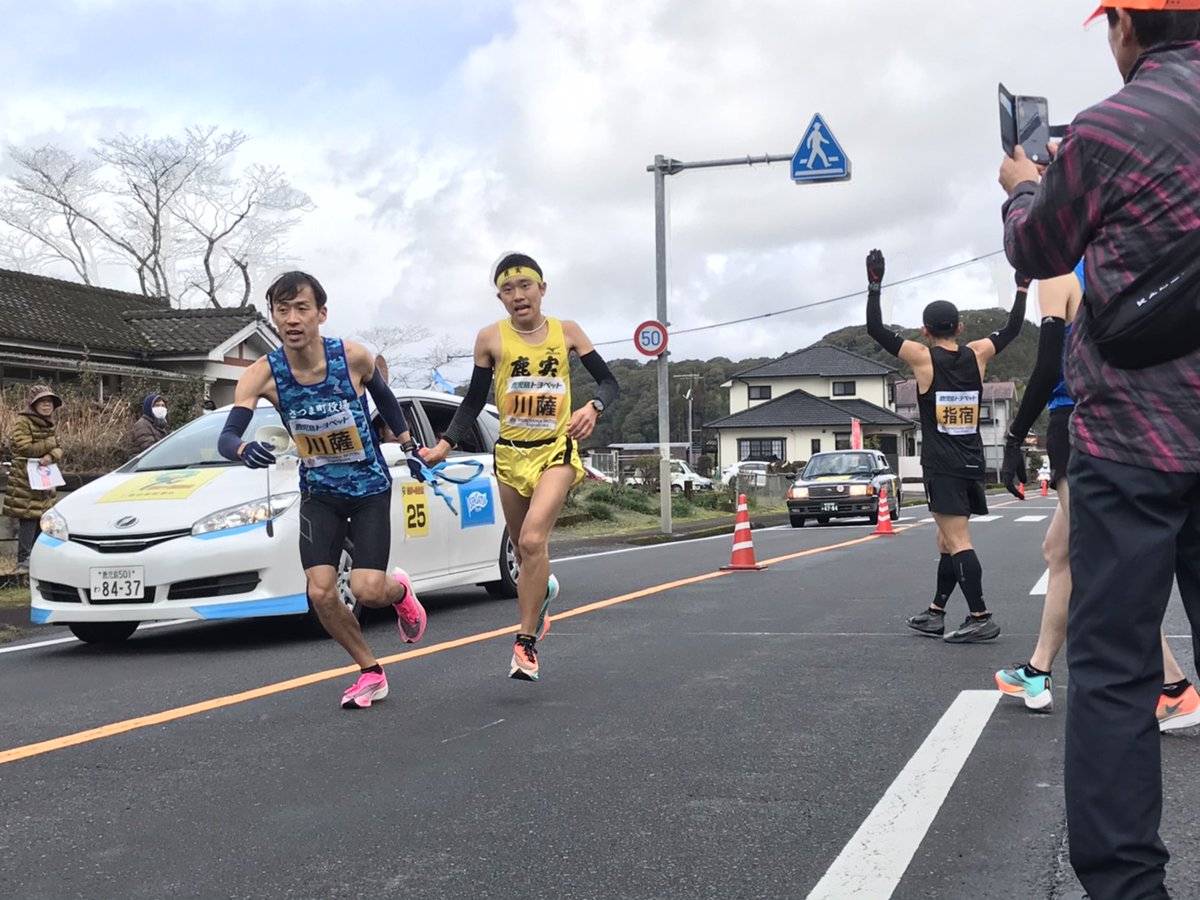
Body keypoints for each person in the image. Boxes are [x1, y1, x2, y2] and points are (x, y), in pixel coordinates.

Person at [999, 5, 1200, 897]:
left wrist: (1019, 183)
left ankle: (1127, 887)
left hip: (1135, 436)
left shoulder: (1109, 128)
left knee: (1116, 669)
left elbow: (1036, 245)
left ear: (1124, 27)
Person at [993, 266, 1200, 729]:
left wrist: (1014, 435)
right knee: (1059, 550)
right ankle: (1038, 670)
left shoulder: (1060, 275)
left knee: (1108, 566)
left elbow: (1049, 367)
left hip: (1075, 425)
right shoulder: (1125, 264)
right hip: (1136, 421)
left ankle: (1173, 688)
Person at [217, 271, 428, 710]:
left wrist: (408, 446)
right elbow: (228, 435)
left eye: (302, 308)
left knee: (369, 590)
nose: (292, 319)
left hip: (369, 487)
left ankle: (401, 594)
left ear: (321, 313)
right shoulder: (262, 374)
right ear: (273, 316)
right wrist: (242, 448)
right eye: (282, 310)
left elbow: (385, 400)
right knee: (320, 592)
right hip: (319, 492)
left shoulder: (352, 357)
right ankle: (370, 671)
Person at [420, 252, 619, 681]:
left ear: (542, 289)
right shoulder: (490, 339)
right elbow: (473, 401)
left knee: (531, 541)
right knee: (522, 549)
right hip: (509, 454)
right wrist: (443, 445)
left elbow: (609, 381)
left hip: (556, 451)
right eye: (508, 290)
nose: (518, 295)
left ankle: (525, 643)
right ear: (500, 298)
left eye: (525, 286)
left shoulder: (567, 332)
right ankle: (542, 586)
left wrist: (594, 407)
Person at [865, 249, 1026, 643]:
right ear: (960, 326)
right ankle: (936, 611)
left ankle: (980, 615)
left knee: (957, 541)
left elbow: (876, 330)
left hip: (942, 462)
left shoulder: (923, 358)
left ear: (925, 330)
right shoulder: (978, 353)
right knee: (945, 540)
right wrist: (1022, 287)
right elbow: (1014, 328)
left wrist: (874, 285)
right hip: (972, 459)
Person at [5, 385, 64, 575]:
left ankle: (39, 557)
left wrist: (51, 456)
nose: (47, 405)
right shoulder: (22, 421)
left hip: (44, 477)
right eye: (43, 402)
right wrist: (50, 446)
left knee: (43, 517)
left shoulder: (50, 423)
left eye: (50, 402)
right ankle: (23, 560)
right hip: (25, 477)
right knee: (28, 518)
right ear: (33, 404)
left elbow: (59, 448)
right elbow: (24, 447)